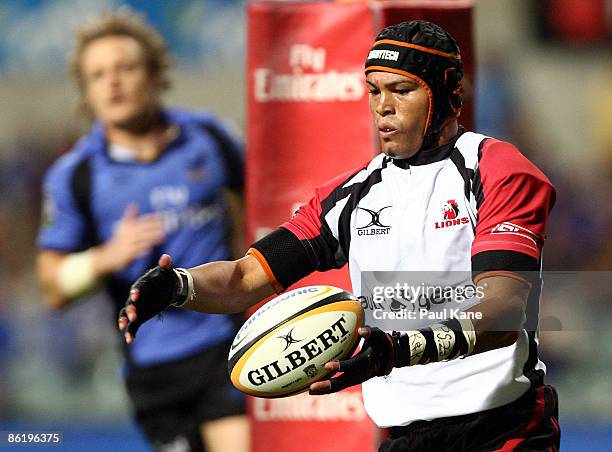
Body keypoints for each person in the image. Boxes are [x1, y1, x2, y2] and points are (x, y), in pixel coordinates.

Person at [119, 20, 560, 451]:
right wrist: (179, 286)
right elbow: (244, 279)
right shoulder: (346, 198)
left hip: (506, 430)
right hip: (406, 436)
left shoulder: (498, 169)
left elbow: (502, 311)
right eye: (373, 91)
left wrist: (395, 350)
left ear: (447, 92)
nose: (382, 107)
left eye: (401, 90)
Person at [36, 10, 249, 452]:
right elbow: (52, 288)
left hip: (224, 347)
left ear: (155, 73)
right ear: (86, 91)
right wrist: (106, 256)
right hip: (152, 367)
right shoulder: (75, 175)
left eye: (125, 68)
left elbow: (265, 201)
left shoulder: (210, 137)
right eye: (98, 75)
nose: (113, 82)